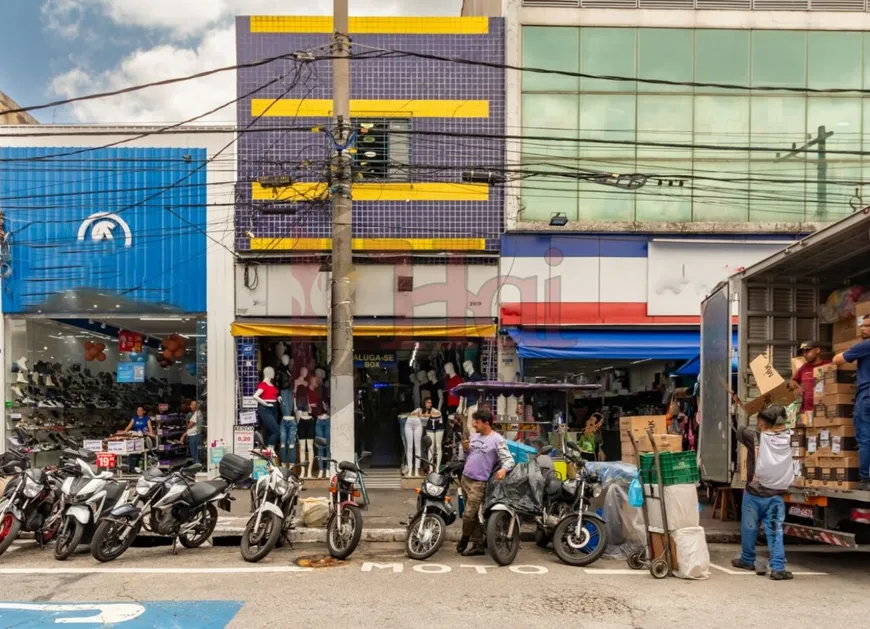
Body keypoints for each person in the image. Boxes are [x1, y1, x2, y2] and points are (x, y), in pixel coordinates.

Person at [732, 404, 795, 580]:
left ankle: (747, 560)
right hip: (776, 495)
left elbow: (739, 430)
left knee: (749, 528)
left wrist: (744, 408)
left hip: (753, 493)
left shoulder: (756, 437)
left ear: (762, 422)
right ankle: (778, 568)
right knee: (775, 531)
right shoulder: (792, 437)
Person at [456, 409, 514, 557]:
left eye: (477, 422)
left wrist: (503, 469)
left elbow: (509, 459)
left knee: (469, 514)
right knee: (472, 514)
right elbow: (469, 455)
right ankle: (478, 545)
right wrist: (465, 448)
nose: (474, 424)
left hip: (479, 482)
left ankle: (465, 538)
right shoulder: (474, 436)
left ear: (486, 423)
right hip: (465, 478)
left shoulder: (497, 439)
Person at [833, 316, 870, 490]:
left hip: (867, 397)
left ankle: (865, 479)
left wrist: (850, 350)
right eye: (862, 325)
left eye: (867, 326)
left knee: (865, 438)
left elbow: (837, 359)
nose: (863, 329)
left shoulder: (865, 345)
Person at [793, 341, 829, 415]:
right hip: (807, 411)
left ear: (817, 350)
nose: (805, 354)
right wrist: (798, 387)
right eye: (803, 352)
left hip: (824, 409)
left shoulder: (828, 366)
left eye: (807, 351)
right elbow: (793, 380)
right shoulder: (804, 368)